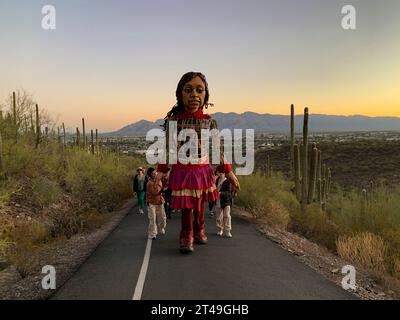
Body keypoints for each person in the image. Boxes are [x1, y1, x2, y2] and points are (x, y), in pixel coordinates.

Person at [155, 72, 240, 253]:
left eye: (199, 90)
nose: (194, 95)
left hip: (202, 170)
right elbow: (169, 150)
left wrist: (230, 173)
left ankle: (199, 228)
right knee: (187, 205)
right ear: (180, 94)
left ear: (205, 96)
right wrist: (160, 173)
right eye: (188, 90)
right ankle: (186, 234)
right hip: (183, 170)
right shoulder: (173, 122)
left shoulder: (210, 123)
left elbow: (217, 152)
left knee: (199, 203)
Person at [146, 167, 167, 240]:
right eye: (153, 173)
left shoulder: (159, 180)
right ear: (150, 175)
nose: (155, 174)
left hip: (160, 202)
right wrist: (162, 190)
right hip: (152, 203)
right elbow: (155, 192)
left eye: (155, 172)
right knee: (152, 219)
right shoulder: (149, 183)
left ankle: (161, 228)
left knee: (162, 218)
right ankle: (152, 234)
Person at [215, 165, 234, 238]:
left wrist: (220, 193)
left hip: (226, 201)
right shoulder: (217, 180)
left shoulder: (227, 181)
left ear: (222, 173)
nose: (217, 173)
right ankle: (220, 230)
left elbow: (229, 193)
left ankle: (228, 231)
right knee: (219, 216)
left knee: (227, 216)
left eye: (218, 172)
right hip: (218, 200)